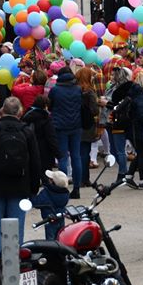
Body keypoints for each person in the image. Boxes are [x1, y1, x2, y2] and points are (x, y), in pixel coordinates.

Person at [0, 97, 41, 273]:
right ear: (20, 112)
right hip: (20, 184)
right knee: (16, 224)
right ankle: (12, 260)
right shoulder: (27, 132)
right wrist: (33, 188)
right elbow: (35, 162)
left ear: (2, 111)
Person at [48, 66, 83, 197]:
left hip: (60, 125)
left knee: (62, 157)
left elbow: (50, 106)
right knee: (76, 156)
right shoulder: (78, 89)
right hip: (76, 125)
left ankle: (62, 188)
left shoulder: (55, 90)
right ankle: (77, 187)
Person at [75, 67, 101, 199]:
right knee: (85, 152)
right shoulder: (90, 92)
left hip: (76, 123)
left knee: (78, 152)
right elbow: (95, 110)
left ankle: (79, 178)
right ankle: (84, 178)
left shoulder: (75, 90)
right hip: (87, 125)